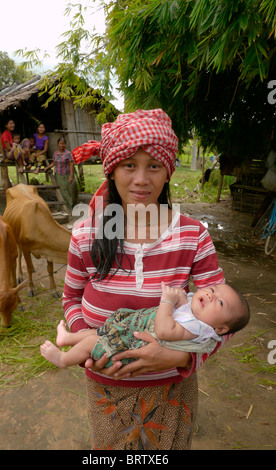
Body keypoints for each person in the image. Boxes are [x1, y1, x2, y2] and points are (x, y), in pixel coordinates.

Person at [62, 108, 228, 450]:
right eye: (129, 165)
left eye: (153, 165)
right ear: (111, 171)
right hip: (105, 386)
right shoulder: (86, 234)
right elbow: (71, 299)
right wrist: (88, 338)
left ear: (168, 172)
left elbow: (224, 319)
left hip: (171, 388)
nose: (141, 179)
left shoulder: (193, 236)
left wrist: (182, 358)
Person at [40, 282, 249, 369]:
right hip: (127, 330)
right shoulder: (196, 313)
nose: (211, 295)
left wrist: (167, 301)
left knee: (95, 341)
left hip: (129, 346)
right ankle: (66, 339)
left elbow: (164, 330)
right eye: (212, 289)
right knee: (96, 332)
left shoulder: (199, 329)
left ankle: (63, 359)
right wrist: (183, 302)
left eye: (220, 302)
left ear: (220, 329)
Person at [44, 137, 78, 210]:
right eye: (60, 143)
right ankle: (62, 208)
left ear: (65, 145)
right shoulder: (55, 153)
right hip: (58, 175)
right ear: (58, 144)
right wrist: (48, 167)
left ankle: (68, 208)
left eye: (63, 144)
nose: (62, 145)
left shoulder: (68, 153)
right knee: (60, 192)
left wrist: (71, 176)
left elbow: (71, 164)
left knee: (67, 192)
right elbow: (53, 163)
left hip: (66, 175)